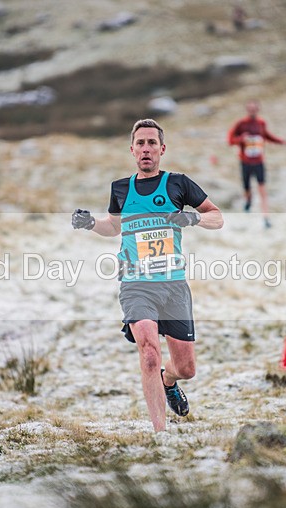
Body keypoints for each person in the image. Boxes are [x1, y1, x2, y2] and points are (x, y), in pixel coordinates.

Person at [71, 119, 224, 432]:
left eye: (152, 143)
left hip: (173, 287)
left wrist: (192, 217)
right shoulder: (121, 189)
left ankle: (170, 382)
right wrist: (89, 223)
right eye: (140, 143)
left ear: (162, 149)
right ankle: (160, 435)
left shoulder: (178, 184)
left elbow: (217, 217)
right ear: (132, 150)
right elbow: (114, 227)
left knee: (186, 368)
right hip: (136, 285)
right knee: (150, 355)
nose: (146, 149)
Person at [227, 100, 286, 229]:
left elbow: (267, 136)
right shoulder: (241, 124)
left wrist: (282, 142)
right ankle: (248, 200)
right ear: (247, 109)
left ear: (258, 109)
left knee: (262, 190)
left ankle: (266, 218)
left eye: (254, 108)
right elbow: (230, 140)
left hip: (259, 162)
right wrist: (240, 139)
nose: (252, 111)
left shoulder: (261, 123)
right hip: (245, 162)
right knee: (247, 188)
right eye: (250, 108)